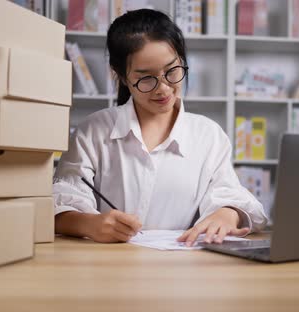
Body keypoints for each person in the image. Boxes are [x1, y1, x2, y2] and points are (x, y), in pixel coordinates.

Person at [53, 9, 268, 247]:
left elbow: (233, 196)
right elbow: (60, 203)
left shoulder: (209, 135)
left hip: (181, 272)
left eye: (172, 71)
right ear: (122, 77)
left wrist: (228, 213)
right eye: (146, 78)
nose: (163, 88)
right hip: (110, 267)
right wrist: (89, 225)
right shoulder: (93, 131)